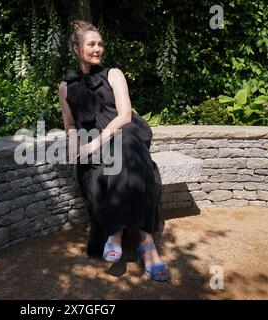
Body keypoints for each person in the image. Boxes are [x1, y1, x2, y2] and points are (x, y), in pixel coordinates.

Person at [58, 20, 168, 281]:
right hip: (94, 148)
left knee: (126, 145)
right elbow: (70, 125)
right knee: (113, 164)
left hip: (123, 134)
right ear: (76, 48)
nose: (98, 49)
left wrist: (98, 141)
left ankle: (126, 235)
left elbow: (125, 115)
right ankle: (143, 242)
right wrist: (75, 146)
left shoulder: (114, 74)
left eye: (100, 44)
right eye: (91, 44)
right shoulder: (65, 87)